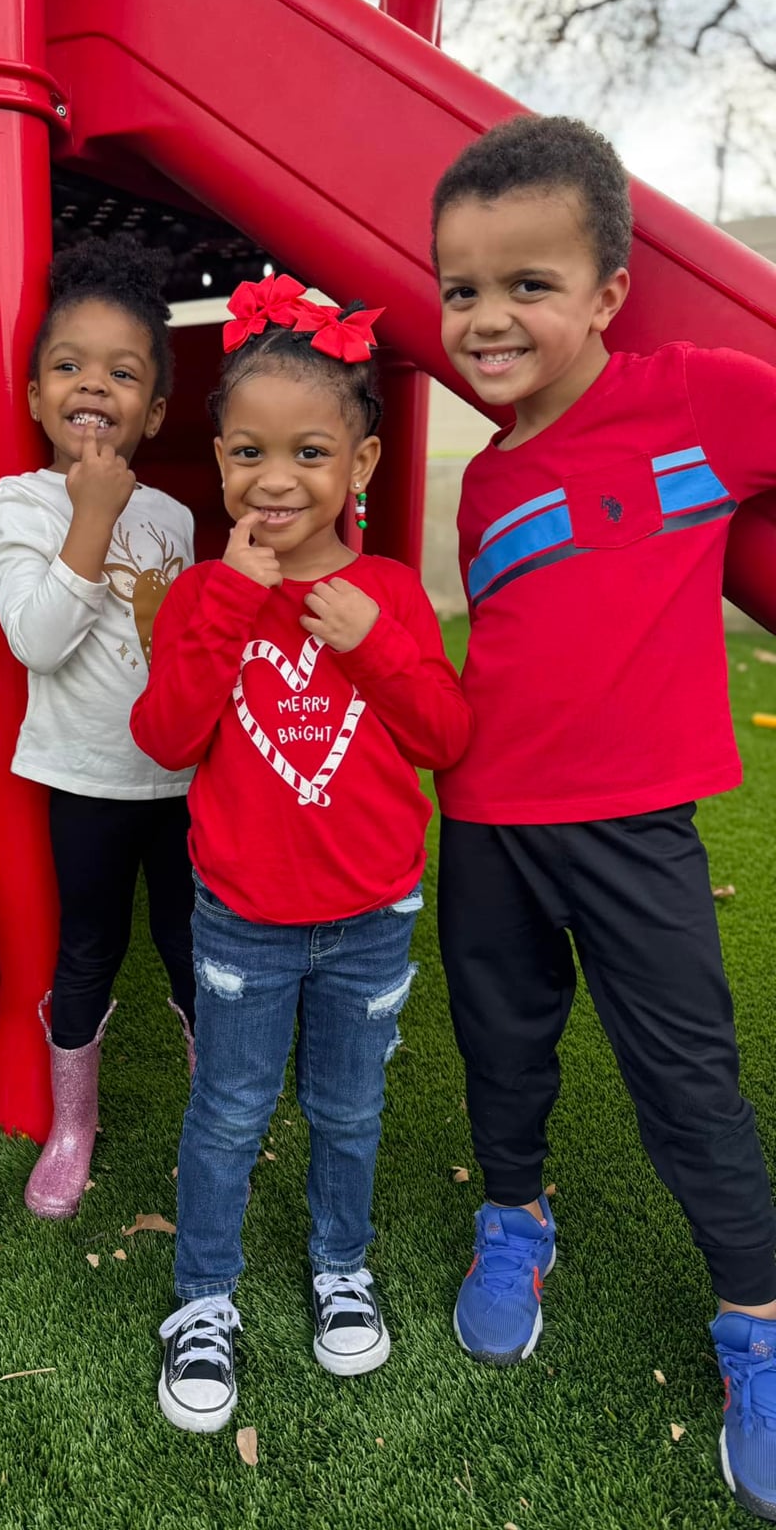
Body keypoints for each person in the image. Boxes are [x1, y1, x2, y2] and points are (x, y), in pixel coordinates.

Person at [431, 114, 776, 1521]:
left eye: (529, 283)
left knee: (689, 1077)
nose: (490, 316)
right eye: (461, 286)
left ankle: (755, 1322)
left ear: (607, 296)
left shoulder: (703, 397)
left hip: (637, 832)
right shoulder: (485, 478)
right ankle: (514, 1218)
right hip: (489, 824)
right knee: (500, 1042)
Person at [131, 274, 472, 1433]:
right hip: (240, 920)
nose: (275, 480)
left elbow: (444, 737)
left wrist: (375, 644)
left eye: (311, 452)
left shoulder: (385, 593)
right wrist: (229, 605)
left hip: (372, 915)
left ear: (363, 466)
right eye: (246, 452)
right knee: (226, 1112)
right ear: (219, 459)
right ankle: (205, 1298)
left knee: (348, 1109)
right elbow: (166, 735)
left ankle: (341, 1267)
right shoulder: (204, 597)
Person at [0, 235, 197, 1221]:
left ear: (153, 408)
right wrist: (91, 515)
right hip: (90, 783)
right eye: (68, 365)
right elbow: (37, 637)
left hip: (185, 784)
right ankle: (73, 1126)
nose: (92, 386)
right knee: (88, 951)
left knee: (196, 948)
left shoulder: (179, 517)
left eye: (122, 371)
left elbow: (186, 650)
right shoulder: (16, 503)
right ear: (34, 395)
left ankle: (213, 1118)